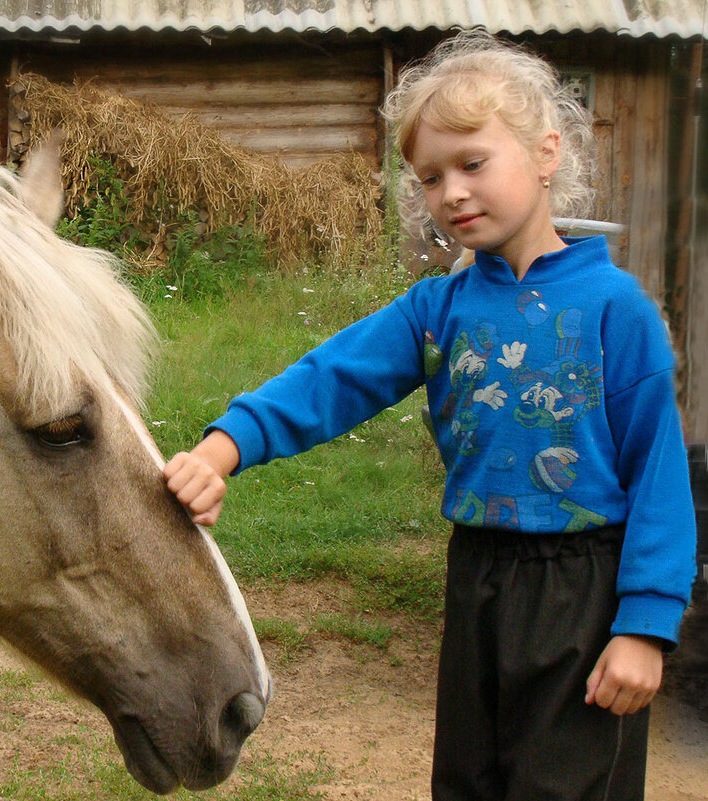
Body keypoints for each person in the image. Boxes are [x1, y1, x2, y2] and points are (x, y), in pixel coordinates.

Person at [162, 29, 697, 801]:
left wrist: (644, 625)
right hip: (479, 576)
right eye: (429, 178)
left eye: (472, 164)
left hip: (585, 587)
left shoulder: (617, 310)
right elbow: (331, 379)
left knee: (567, 785)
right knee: (469, 782)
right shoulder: (436, 310)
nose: (449, 193)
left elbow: (660, 473)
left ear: (547, 154)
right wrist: (221, 449)